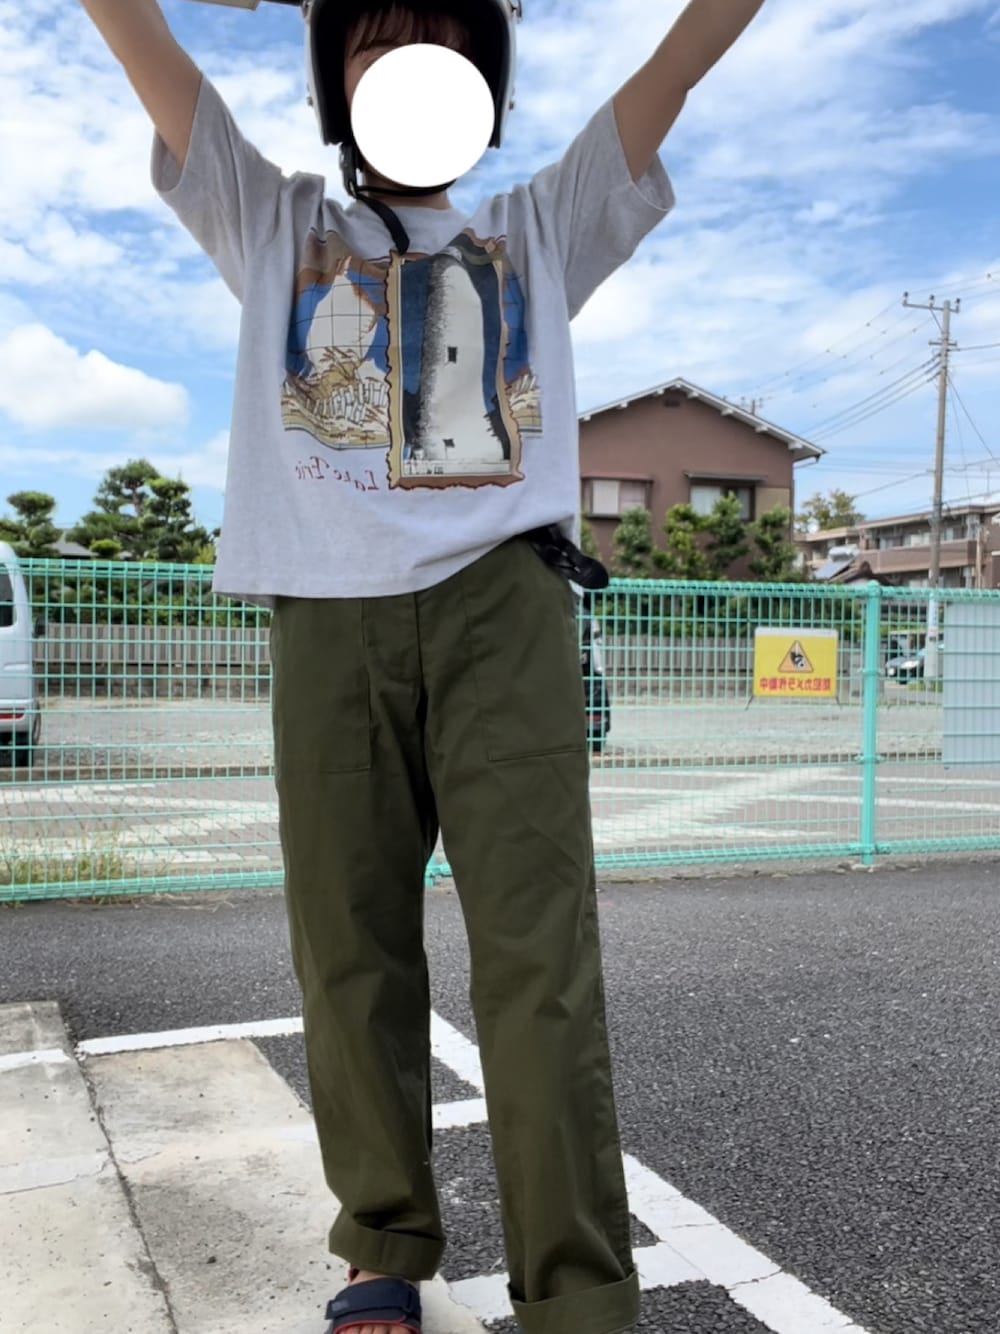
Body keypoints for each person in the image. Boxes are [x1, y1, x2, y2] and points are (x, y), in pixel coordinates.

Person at [78, 2, 766, 1331]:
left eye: (441, 43)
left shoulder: (539, 226)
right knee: (349, 952)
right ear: (334, 82)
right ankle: (382, 1240)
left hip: (504, 604)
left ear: (484, 85)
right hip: (325, 610)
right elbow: (148, 51)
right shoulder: (276, 220)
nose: (407, 67)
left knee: (539, 957)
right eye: (374, 41)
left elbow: (674, 69)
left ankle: (577, 1289)